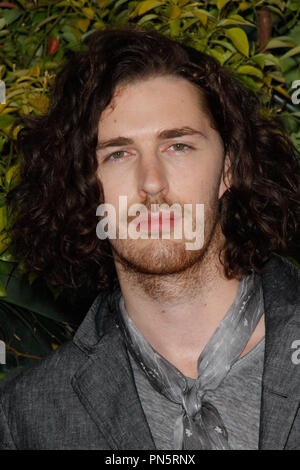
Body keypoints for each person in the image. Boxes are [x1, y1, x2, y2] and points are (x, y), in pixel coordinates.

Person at [0, 26, 300, 450]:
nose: (152, 183)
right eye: (118, 154)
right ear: (84, 186)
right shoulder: (28, 418)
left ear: (229, 168)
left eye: (177, 145)